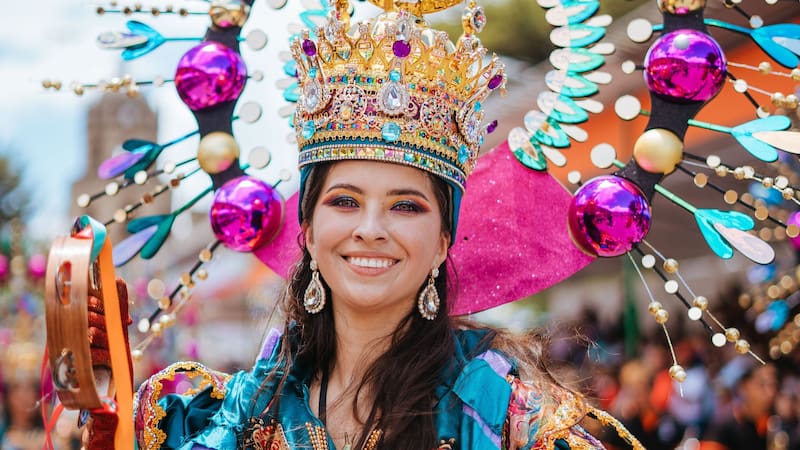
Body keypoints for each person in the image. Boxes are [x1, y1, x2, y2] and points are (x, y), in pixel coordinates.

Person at [81, 0, 644, 448]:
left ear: (444, 239)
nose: (371, 229)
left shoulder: (513, 423)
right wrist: (102, 405)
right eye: (345, 202)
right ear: (305, 228)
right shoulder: (238, 416)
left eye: (405, 206)